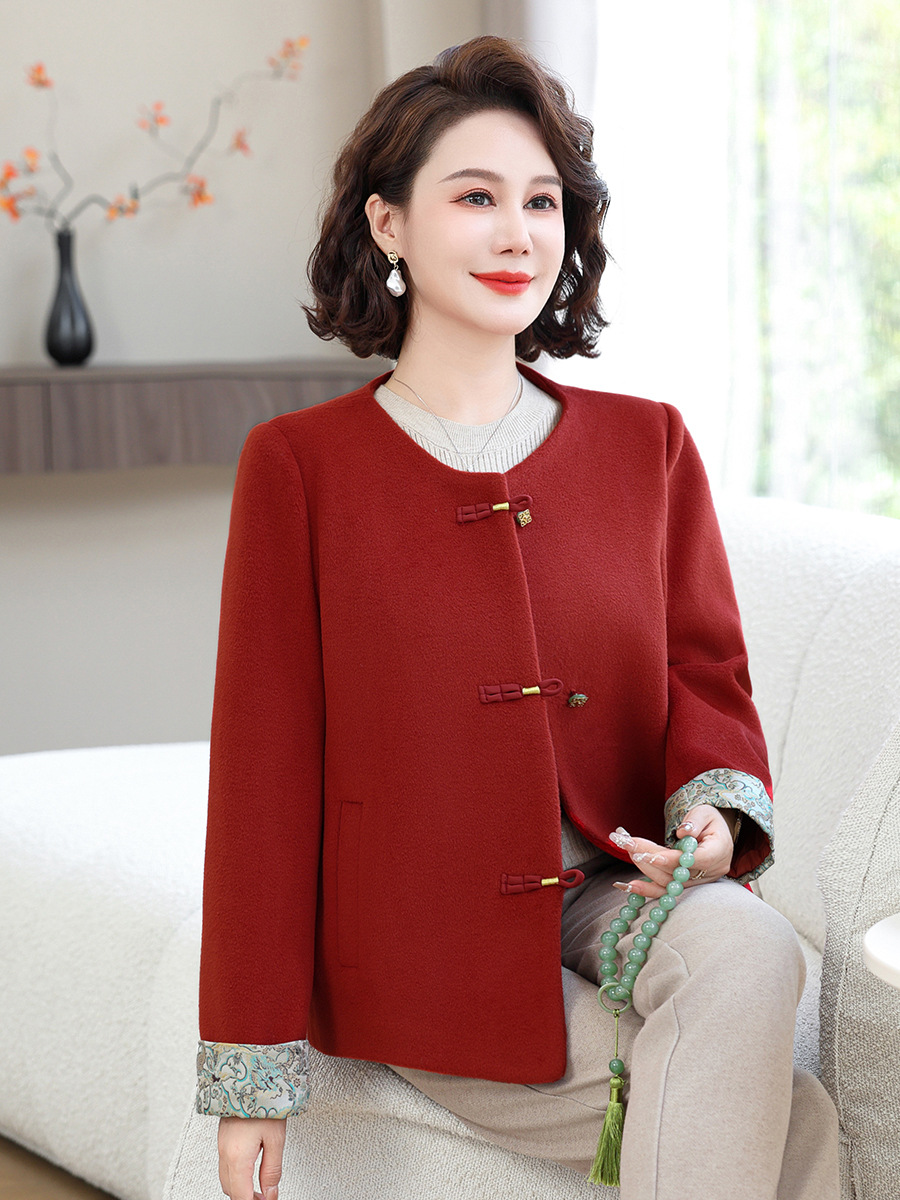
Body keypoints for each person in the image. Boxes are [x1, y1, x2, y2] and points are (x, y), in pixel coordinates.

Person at [196, 35, 840, 1200]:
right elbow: (263, 772)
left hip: (612, 895)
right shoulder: (299, 467)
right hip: (419, 942)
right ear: (389, 223)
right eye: (476, 197)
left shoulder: (649, 444)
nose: (518, 234)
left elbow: (703, 675)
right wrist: (252, 1073)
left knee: (749, 942)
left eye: (543, 202)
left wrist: (709, 822)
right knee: (796, 1128)